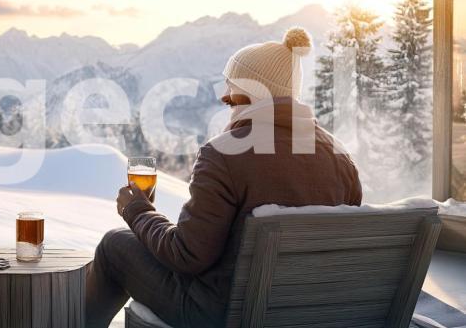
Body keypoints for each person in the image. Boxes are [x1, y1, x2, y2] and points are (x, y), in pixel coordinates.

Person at [85, 28, 363, 327]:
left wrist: (138, 211)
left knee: (115, 244)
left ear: (253, 95)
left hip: (222, 315)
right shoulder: (339, 156)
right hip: (310, 313)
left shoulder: (224, 153)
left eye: (231, 96)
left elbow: (186, 256)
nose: (224, 99)